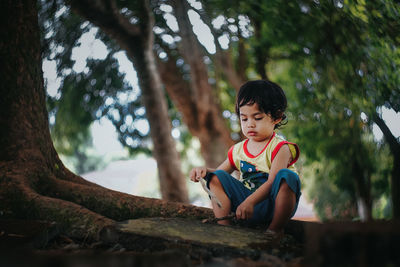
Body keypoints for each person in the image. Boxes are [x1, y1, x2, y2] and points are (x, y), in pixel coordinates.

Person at [189, 80, 301, 238]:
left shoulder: (280, 148)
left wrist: (251, 202)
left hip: (273, 205)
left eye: (257, 118)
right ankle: (225, 228)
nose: (250, 125)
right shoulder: (238, 150)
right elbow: (220, 175)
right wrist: (204, 171)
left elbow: (272, 182)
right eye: (245, 119)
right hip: (245, 205)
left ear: (276, 117)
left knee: (288, 177)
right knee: (215, 178)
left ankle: (275, 230)